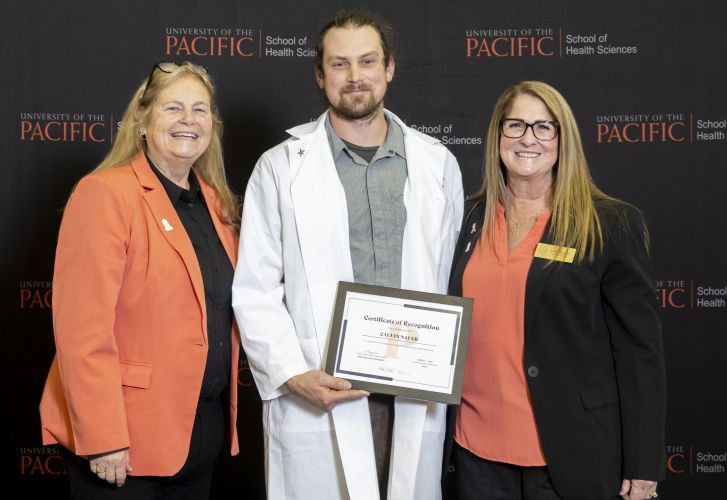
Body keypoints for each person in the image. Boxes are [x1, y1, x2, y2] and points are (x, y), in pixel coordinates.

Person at [232, 11, 463, 500]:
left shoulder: (437, 164)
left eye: (367, 61)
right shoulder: (279, 168)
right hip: (321, 387)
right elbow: (255, 287)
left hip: (413, 389)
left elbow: (447, 277)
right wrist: (293, 375)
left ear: (389, 68)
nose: (355, 76)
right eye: (339, 64)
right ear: (320, 75)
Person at [443, 81, 666, 500]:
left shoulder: (610, 224)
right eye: (515, 125)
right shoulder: (466, 217)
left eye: (544, 127)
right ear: (497, 137)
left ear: (563, 140)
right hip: (475, 452)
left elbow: (640, 354)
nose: (528, 138)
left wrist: (643, 462)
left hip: (571, 451)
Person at [39, 61, 241, 499]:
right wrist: (103, 436)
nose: (188, 120)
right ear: (143, 121)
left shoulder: (217, 203)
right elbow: (82, 333)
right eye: (173, 107)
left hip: (198, 433)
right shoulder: (105, 195)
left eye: (200, 110)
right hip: (126, 441)